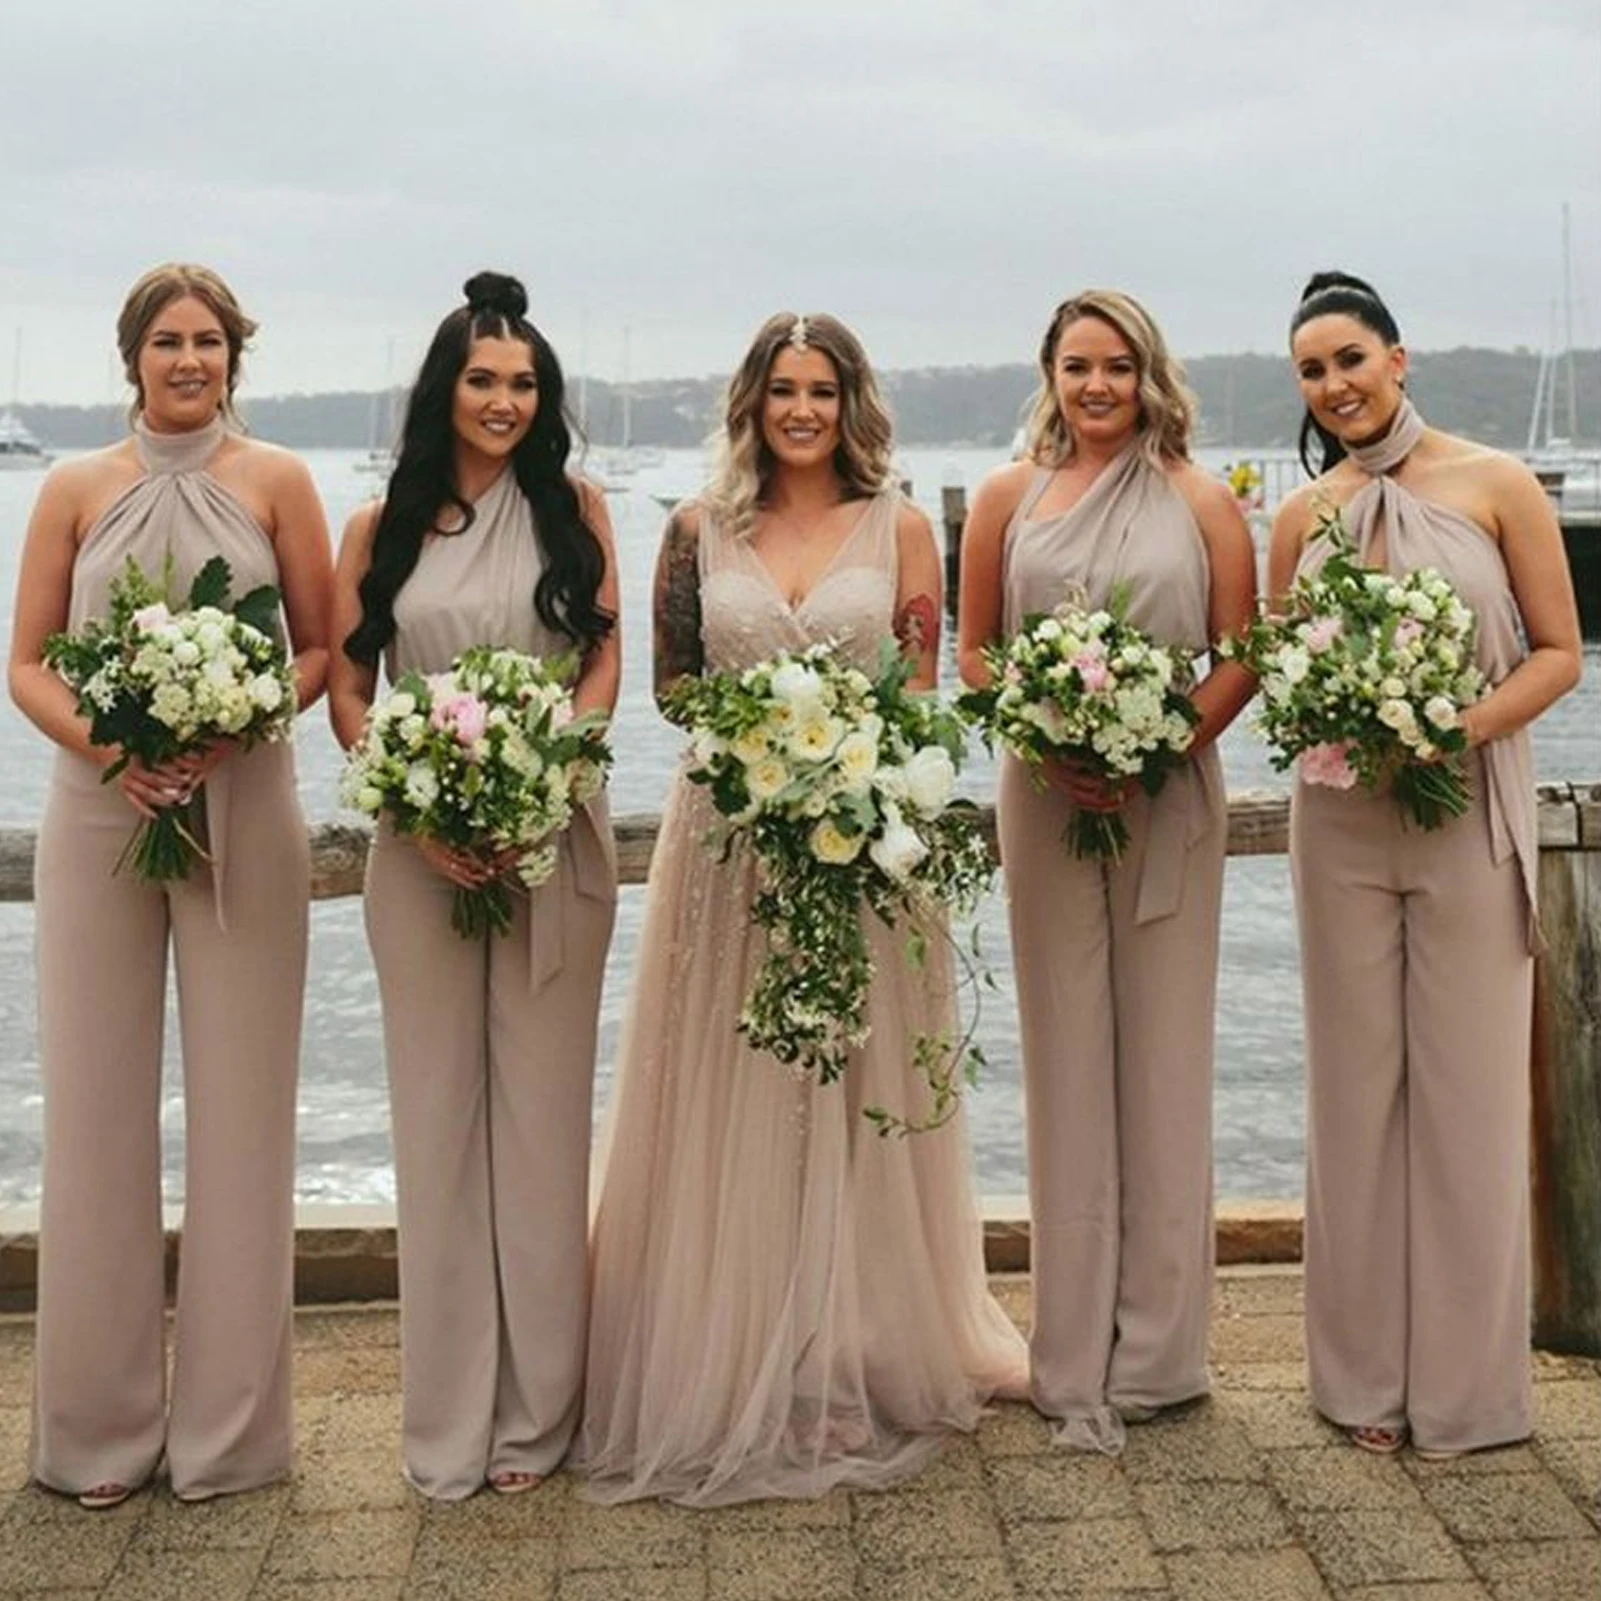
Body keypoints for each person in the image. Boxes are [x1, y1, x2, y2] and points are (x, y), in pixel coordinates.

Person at [580, 310, 1027, 1505]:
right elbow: (674, 687)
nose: (801, 410)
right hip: (726, 843)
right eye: (782, 389)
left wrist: (842, 776)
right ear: (752, 400)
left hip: (862, 836)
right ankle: (730, 1352)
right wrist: (762, 751)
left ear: (849, 403)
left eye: (821, 390)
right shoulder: (692, 528)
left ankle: (851, 1351)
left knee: (851, 1078)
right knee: (727, 1084)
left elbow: (921, 687)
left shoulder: (899, 531)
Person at [8, 264, 333, 1507]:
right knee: (94, 1114)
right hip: (100, 817)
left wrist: (237, 722)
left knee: (245, 1121)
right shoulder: (74, 486)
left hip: (245, 810)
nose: (186, 360)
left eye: (206, 342)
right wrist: (115, 746)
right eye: (165, 342)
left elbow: (316, 645)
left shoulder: (279, 483)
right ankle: (96, 1430)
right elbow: (28, 661)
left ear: (233, 358)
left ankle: (231, 1436)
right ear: (131, 356)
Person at [1270, 271, 1581, 1458]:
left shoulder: (1494, 483)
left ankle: (1462, 1390)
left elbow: (1556, 653)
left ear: (1397, 359)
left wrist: (1452, 726)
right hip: (1339, 819)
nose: (1333, 385)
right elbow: (1281, 665)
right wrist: (1335, 711)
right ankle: (1357, 1383)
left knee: (1464, 1097)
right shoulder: (1301, 516)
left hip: (1463, 811)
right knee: (1351, 1099)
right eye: (1310, 370)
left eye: (1348, 358)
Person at [328, 271, 619, 1499]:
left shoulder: (580, 507)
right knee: (438, 1126)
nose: (503, 401)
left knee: (543, 1126)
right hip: (418, 850)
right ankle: (446, 1413)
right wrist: (414, 800)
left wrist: (544, 778)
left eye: (523, 383)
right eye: (483, 379)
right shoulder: (378, 522)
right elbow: (352, 691)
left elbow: (605, 666)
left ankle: (539, 1414)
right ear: (444, 389)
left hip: (555, 837)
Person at [956, 289, 1257, 1454]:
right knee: (1064, 1062)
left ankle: (1164, 1352)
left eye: (1116, 366)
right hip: (1041, 796)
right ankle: (1068, 1345)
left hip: (1168, 792)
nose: (1096, 386)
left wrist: (1156, 744)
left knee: (1165, 1059)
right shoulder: (1000, 498)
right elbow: (973, 652)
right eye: (1077, 365)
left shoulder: (1200, 501)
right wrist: (1043, 739)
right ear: (1049, 372)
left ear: (1146, 375)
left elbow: (1241, 651)